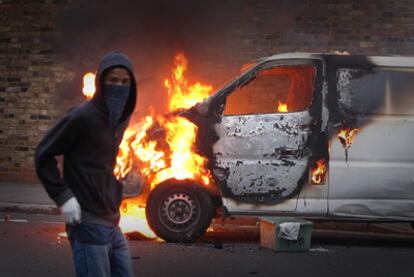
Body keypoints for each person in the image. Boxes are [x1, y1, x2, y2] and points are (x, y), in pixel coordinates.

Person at [35, 51, 137, 277]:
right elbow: (43, 154)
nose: (119, 86)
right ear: (101, 82)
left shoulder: (118, 121)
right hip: (88, 223)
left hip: (112, 222)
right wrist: (64, 197)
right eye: (112, 80)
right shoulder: (82, 117)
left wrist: (115, 187)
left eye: (124, 82)